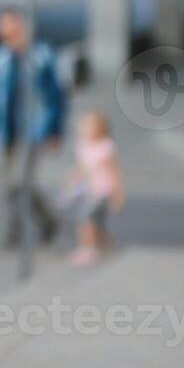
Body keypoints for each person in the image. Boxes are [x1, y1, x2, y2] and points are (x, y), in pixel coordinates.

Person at [0, 8, 64, 249]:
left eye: (11, 31)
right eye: (3, 33)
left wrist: (56, 131)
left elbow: (56, 96)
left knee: (21, 182)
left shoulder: (41, 56)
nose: (7, 37)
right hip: (5, 130)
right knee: (10, 184)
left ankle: (37, 224)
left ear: (22, 30)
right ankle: (21, 230)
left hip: (33, 130)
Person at [56, 108, 124, 268]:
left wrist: (118, 194)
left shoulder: (105, 147)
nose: (87, 130)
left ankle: (88, 249)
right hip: (89, 190)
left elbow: (115, 172)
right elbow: (81, 168)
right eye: (85, 126)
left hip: (102, 191)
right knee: (95, 221)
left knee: (85, 218)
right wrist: (71, 183)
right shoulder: (84, 146)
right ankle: (105, 244)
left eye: (91, 126)